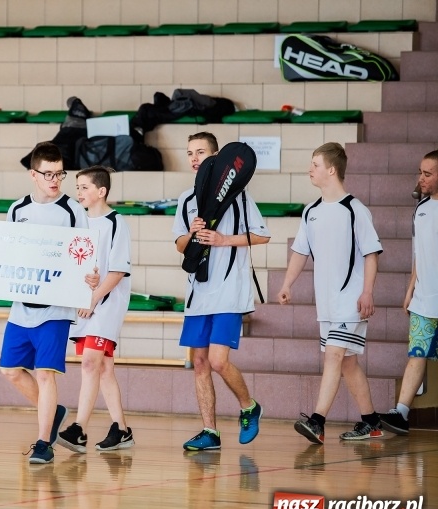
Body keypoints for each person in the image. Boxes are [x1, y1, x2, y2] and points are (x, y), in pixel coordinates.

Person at [0, 141, 97, 464]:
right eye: (48, 174)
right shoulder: (17, 209)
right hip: (22, 306)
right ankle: (54, 411)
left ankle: (43, 442)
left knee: (46, 373)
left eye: (60, 174)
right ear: (33, 174)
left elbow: (84, 256)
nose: (55, 180)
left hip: (56, 308)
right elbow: (3, 255)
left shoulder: (72, 210)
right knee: (10, 370)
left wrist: (89, 278)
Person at [278, 142, 383, 444]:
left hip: (350, 301)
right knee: (347, 363)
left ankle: (317, 422)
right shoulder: (310, 211)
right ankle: (372, 422)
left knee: (335, 357)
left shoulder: (355, 210)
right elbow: (300, 252)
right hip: (325, 305)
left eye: (315, 164)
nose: (310, 170)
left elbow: (372, 254)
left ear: (332, 169)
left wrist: (367, 292)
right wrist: (286, 284)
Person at [171, 132, 268, 451]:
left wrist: (226, 240)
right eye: (189, 153)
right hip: (198, 293)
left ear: (218, 159)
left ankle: (249, 406)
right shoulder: (186, 199)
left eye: (201, 152)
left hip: (229, 292)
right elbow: (180, 246)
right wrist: (192, 234)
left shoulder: (240, 197)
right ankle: (209, 431)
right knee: (199, 362)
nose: (194, 158)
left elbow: (262, 236)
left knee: (217, 360)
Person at [57, 165, 134, 454]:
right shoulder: (77, 223)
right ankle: (122, 430)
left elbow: (117, 272)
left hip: (106, 303)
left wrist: (93, 299)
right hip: (84, 303)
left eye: (84, 187)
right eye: (77, 188)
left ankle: (78, 429)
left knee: (90, 362)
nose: (79, 193)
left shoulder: (116, 222)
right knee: (103, 368)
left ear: (101, 191)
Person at [380, 150, 438, 435]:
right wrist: (411, 287)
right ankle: (401, 412)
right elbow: (420, 253)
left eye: (428, 174)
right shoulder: (422, 208)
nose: (421, 179)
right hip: (424, 300)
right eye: (421, 172)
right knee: (417, 354)